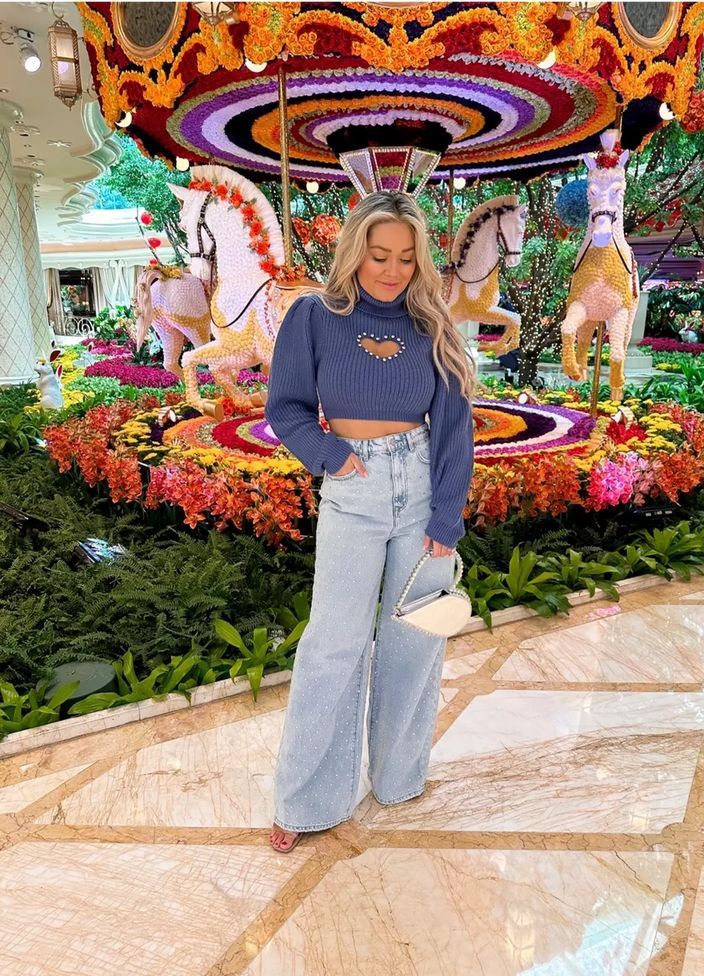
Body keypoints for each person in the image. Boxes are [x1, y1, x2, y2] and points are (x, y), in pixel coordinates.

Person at [264, 190, 476, 853]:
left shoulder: (431, 326)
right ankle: (305, 797)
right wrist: (334, 459)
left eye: (406, 259)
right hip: (353, 487)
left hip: (418, 486)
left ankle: (397, 778)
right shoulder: (313, 317)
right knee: (333, 641)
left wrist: (446, 514)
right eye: (379, 255)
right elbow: (287, 407)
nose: (391, 270)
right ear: (355, 249)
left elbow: (454, 431)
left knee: (415, 638)